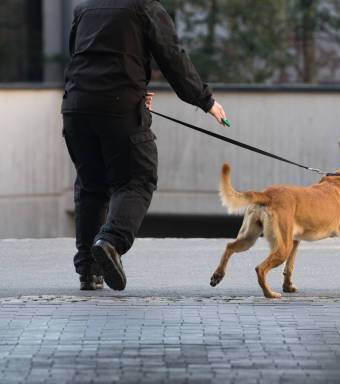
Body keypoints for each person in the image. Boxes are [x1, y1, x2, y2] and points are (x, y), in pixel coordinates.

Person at [61, 0, 227, 291]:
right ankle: (110, 242)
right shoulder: (145, 7)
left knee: (91, 186)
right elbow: (173, 58)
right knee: (138, 178)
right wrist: (206, 100)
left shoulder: (85, 7)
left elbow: (79, 57)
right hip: (119, 108)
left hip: (76, 108)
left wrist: (132, 90)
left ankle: (89, 270)